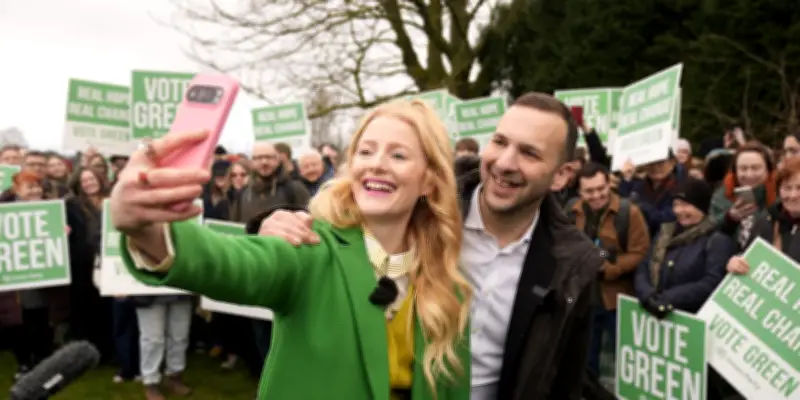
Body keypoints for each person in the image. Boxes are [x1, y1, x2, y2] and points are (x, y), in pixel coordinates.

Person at [109, 100, 472, 399]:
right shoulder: (311, 246)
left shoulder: (448, 283)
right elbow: (232, 263)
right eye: (366, 151)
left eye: (398, 155)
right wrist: (148, 230)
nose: (376, 163)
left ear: (428, 180)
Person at [259, 92, 605, 399]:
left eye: (529, 153)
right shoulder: (427, 203)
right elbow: (348, 215)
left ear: (561, 175)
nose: (504, 162)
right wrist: (277, 221)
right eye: (500, 142)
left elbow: (565, 376)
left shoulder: (573, 263)